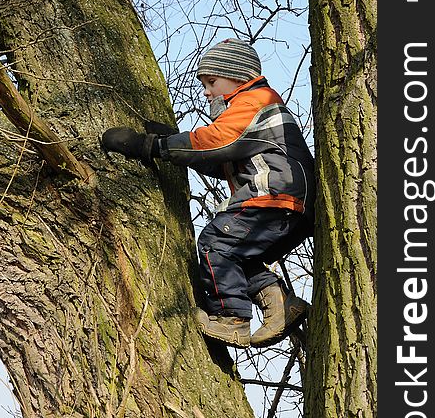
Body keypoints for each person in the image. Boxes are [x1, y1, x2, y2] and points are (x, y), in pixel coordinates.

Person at [101, 38, 315, 349]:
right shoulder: (256, 108)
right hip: (290, 205)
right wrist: (172, 141)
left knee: (215, 243)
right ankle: (280, 305)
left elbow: (217, 142)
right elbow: (224, 160)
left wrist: (151, 146)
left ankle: (232, 320)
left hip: (273, 196)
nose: (206, 92)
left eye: (211, 82)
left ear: (238, 76)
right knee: (236, 258)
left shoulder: (255, 101)